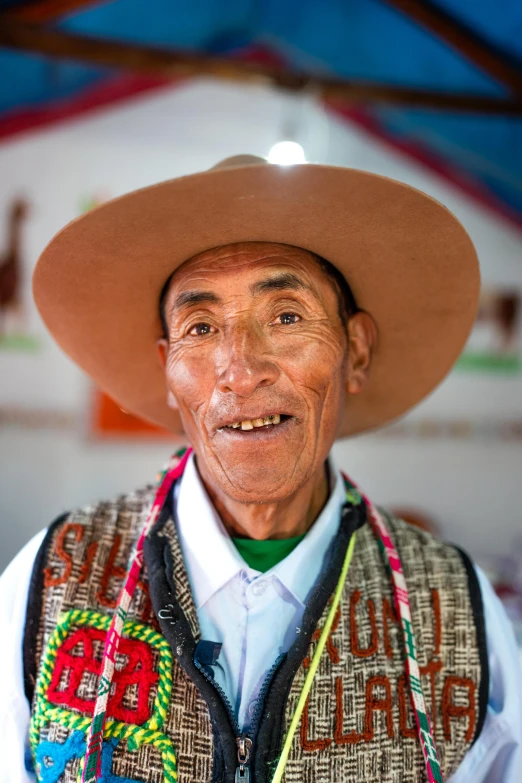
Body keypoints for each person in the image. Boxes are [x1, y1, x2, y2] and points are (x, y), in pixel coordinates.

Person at [0, 155, 520, 783]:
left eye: (287, 317)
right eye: (200, 327)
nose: (241, 370)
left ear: (355, 352)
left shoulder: (457, 612)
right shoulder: (50, 578)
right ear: (168, 369)